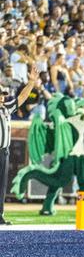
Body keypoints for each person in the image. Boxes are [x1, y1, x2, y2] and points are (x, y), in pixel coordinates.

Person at [0, 66, 38, 225]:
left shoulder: (6, 109)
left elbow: (22, 98)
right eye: (1, 94)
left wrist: (31, 83)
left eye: (3, 95)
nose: (2, 97)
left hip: (4, 151)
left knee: (2, 184)